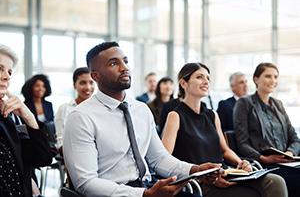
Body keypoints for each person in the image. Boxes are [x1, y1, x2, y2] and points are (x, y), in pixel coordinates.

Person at [63, 42, 222, 197]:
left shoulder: (141, 109)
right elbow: (86, 182)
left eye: (125, 61)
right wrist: (143, 195)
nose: (124, 68)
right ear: (95, 76)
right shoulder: (81, 117)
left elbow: (159, 159)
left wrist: (195, 170)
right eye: (113, 64)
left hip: (147, 186)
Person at [161, 62, 288, 197]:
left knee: (276, 181)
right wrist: (198, 174)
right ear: (183, 83)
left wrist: (241, 162)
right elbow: (165, 159)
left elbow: (225, 150)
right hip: (200, 182)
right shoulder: (175, 116)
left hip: (224, 173)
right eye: (199, 77)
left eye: (208, 78)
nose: (206, 82)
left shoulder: (212, 115)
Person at [233, 62, 300, 197]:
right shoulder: (244, 103)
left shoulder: (278, 104)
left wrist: (290, 153)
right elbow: (242, 143)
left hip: (287, 161)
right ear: (256, 79)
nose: (273, 81)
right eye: (268, 76)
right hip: (264, 164)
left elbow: (294, 138)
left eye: (276, 77)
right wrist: (264, 158)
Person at [0, 44, 52, 197]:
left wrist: (29, 117)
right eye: (0, 69)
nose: (7, 76)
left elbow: (42, 158)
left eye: (9, 71)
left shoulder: (11, 115)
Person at [55, 67, 94, 149]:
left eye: (91, 82)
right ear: (74, 85)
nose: (88, 87)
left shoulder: (99, 109)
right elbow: (61, 141)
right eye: (82, 83)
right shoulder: (64, 109)